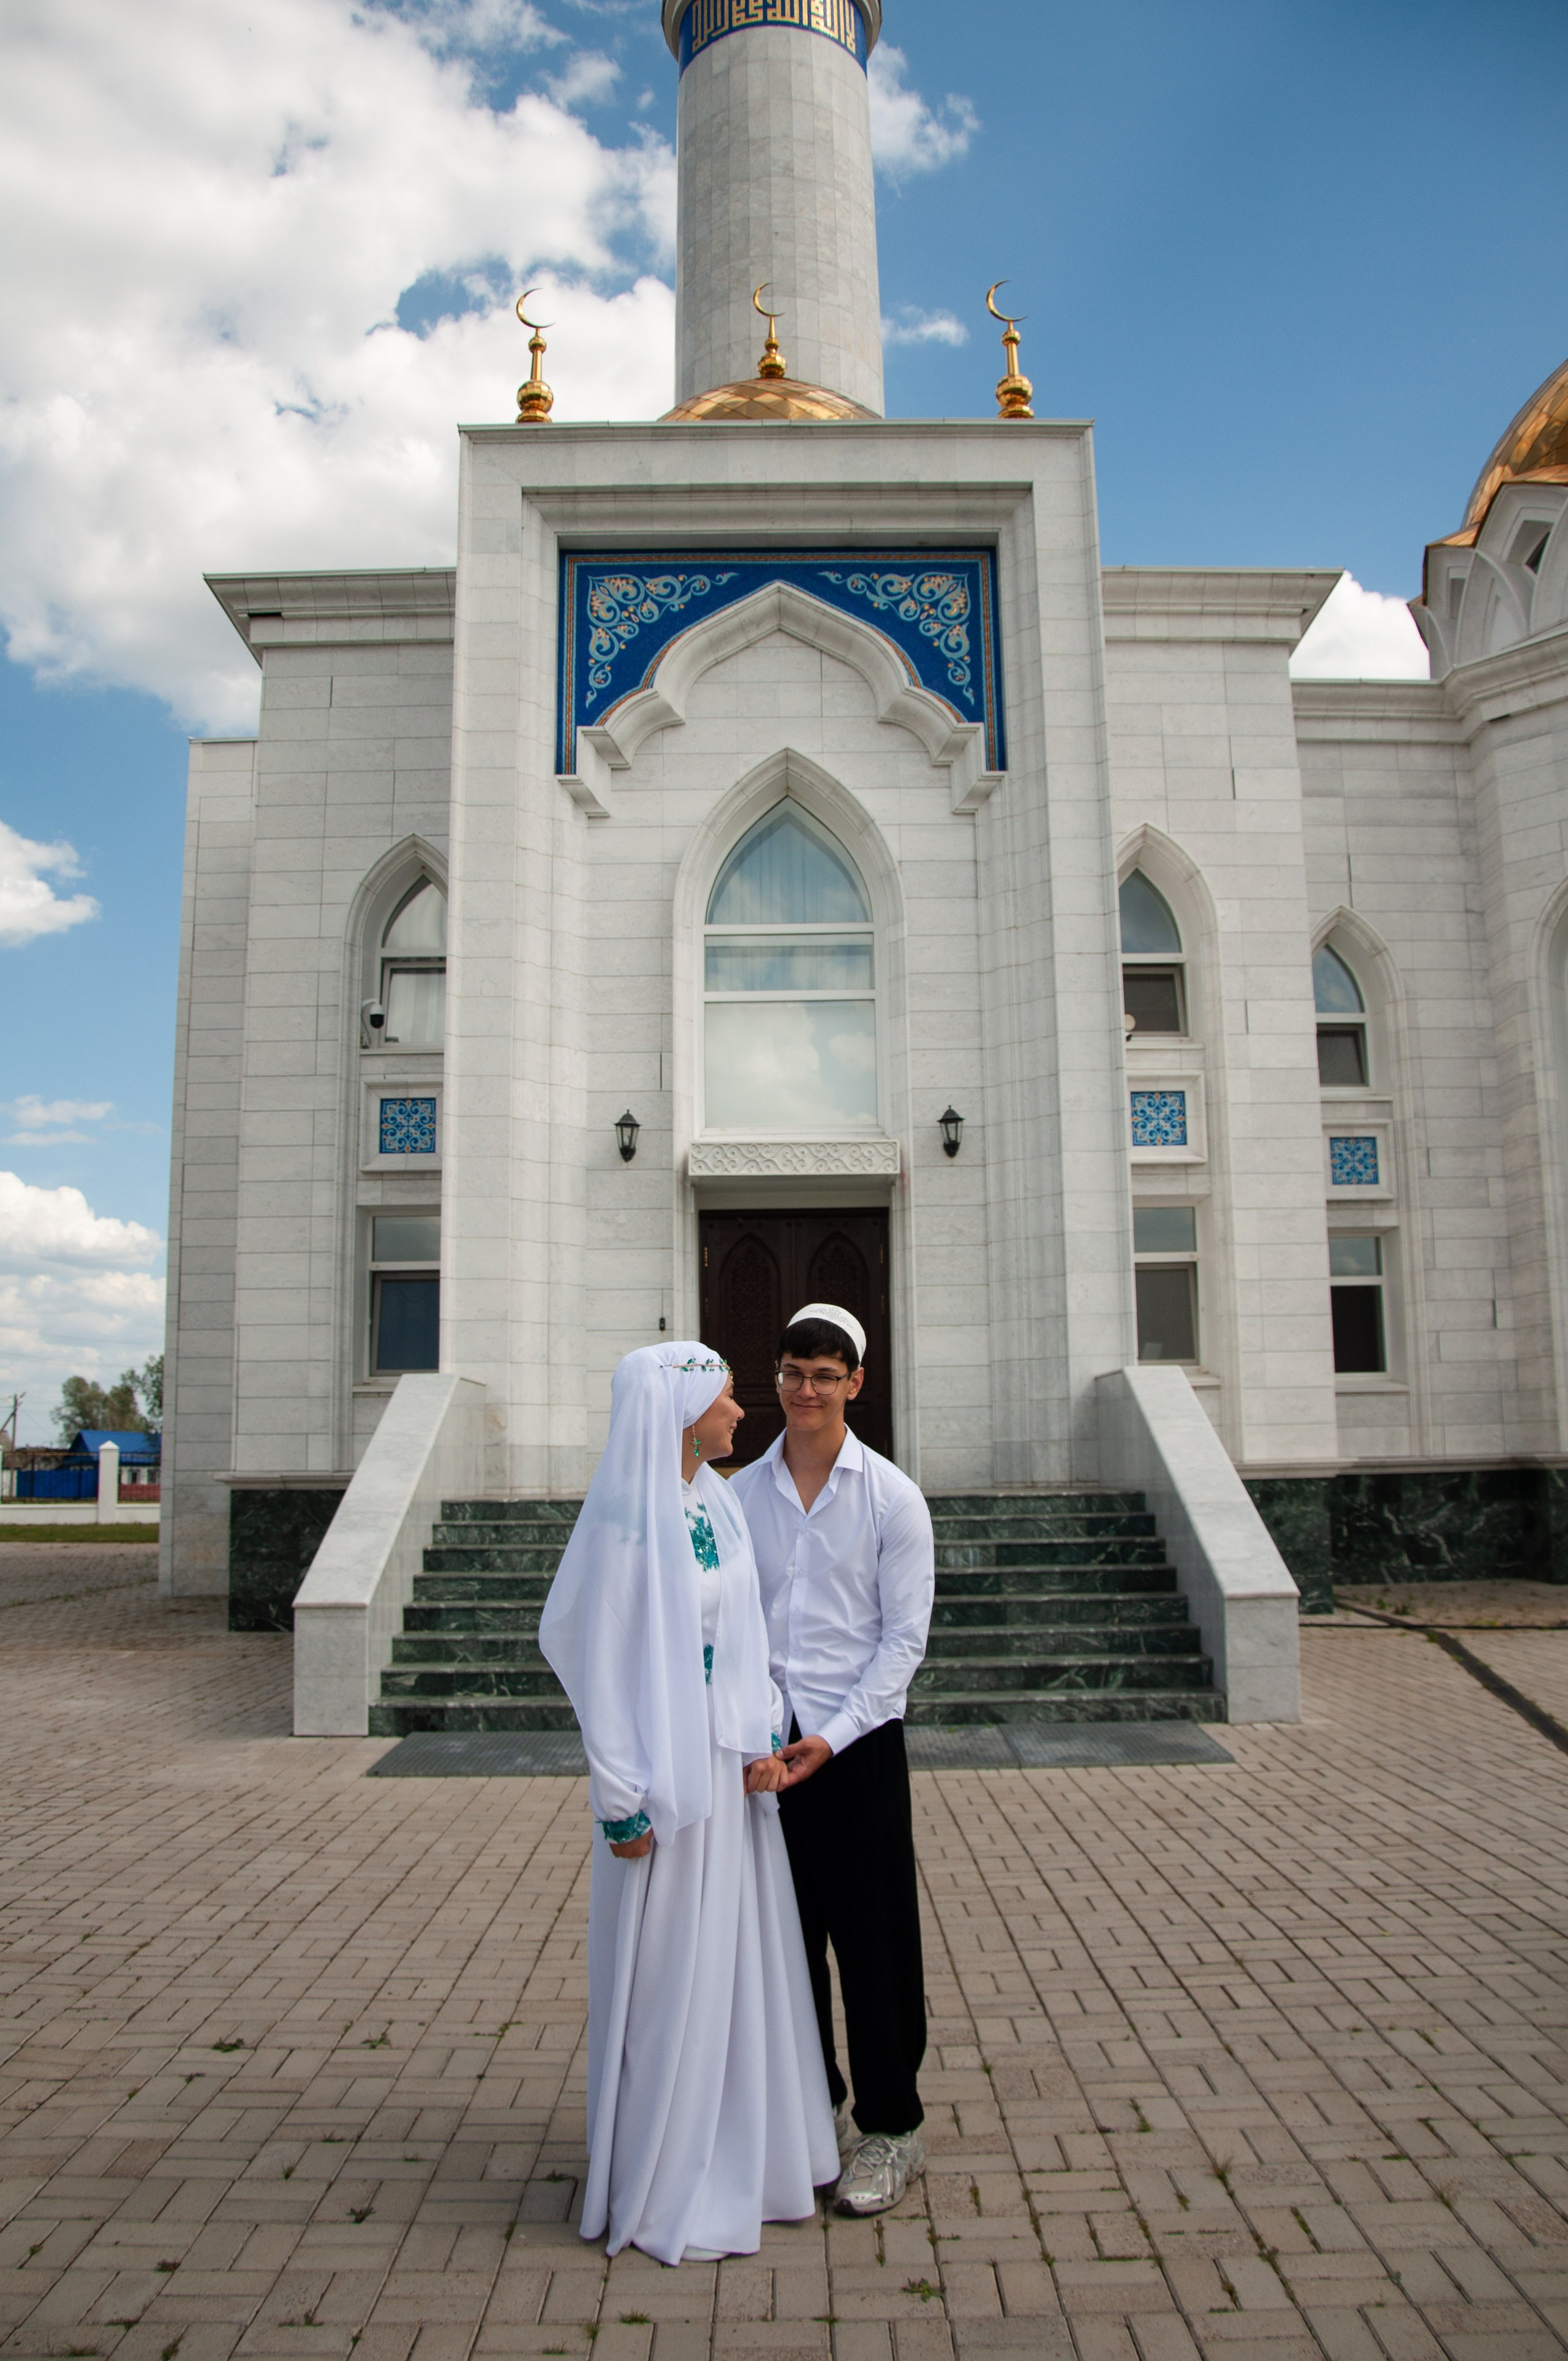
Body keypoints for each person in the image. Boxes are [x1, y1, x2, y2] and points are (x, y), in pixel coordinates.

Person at [538, 1341, 838, 2267]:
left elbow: (743, 1632)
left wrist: (754, 1741)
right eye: (728, 1398)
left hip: (726, 1780)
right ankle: (667, 2168)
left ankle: (741, 2149)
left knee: (736, 1964)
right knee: (672, 1972)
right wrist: (622, 1800)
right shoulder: (629, 1525)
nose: (743, 1412)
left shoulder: (712, 1501)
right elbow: (597, 1659)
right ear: (681, 1411)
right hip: (665, 1790)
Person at [729, 1303, 936, 2220]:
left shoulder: (891, 1497)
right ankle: (814, 2116)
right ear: (775, 1382)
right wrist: (768, 1733)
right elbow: (737, 1632)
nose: (806, 1390)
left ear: (856, 1383)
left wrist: (833, 1735)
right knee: (784, 1943)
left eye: (825, 1375)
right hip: (772, 1752)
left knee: (874, 1941)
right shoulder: (741, 1499)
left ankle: (892, 2126)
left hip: (855, 1748)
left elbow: (903, 1643)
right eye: (792, 1373)